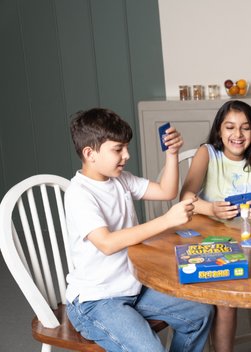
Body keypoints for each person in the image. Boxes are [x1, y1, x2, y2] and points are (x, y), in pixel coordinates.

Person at [65, 108, 214, 352]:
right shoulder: (79, 193)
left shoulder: (120, 179)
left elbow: (167, 191)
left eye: (126, 147)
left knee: (201, 313)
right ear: (90, 153)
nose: (127, 155)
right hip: (97, 300)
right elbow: (107, 243)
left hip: (134, 287)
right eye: (118, 149)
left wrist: (172, 154)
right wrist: (167, 220)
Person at [180, 100, 251, 352]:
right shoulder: (207, 153)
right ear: (219, 130)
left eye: (245, 128)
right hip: (210, 242)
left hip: (249, 241)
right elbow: (185, 196)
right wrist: (210, 208)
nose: (237, 135)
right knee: (226, 302)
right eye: (230, 127)